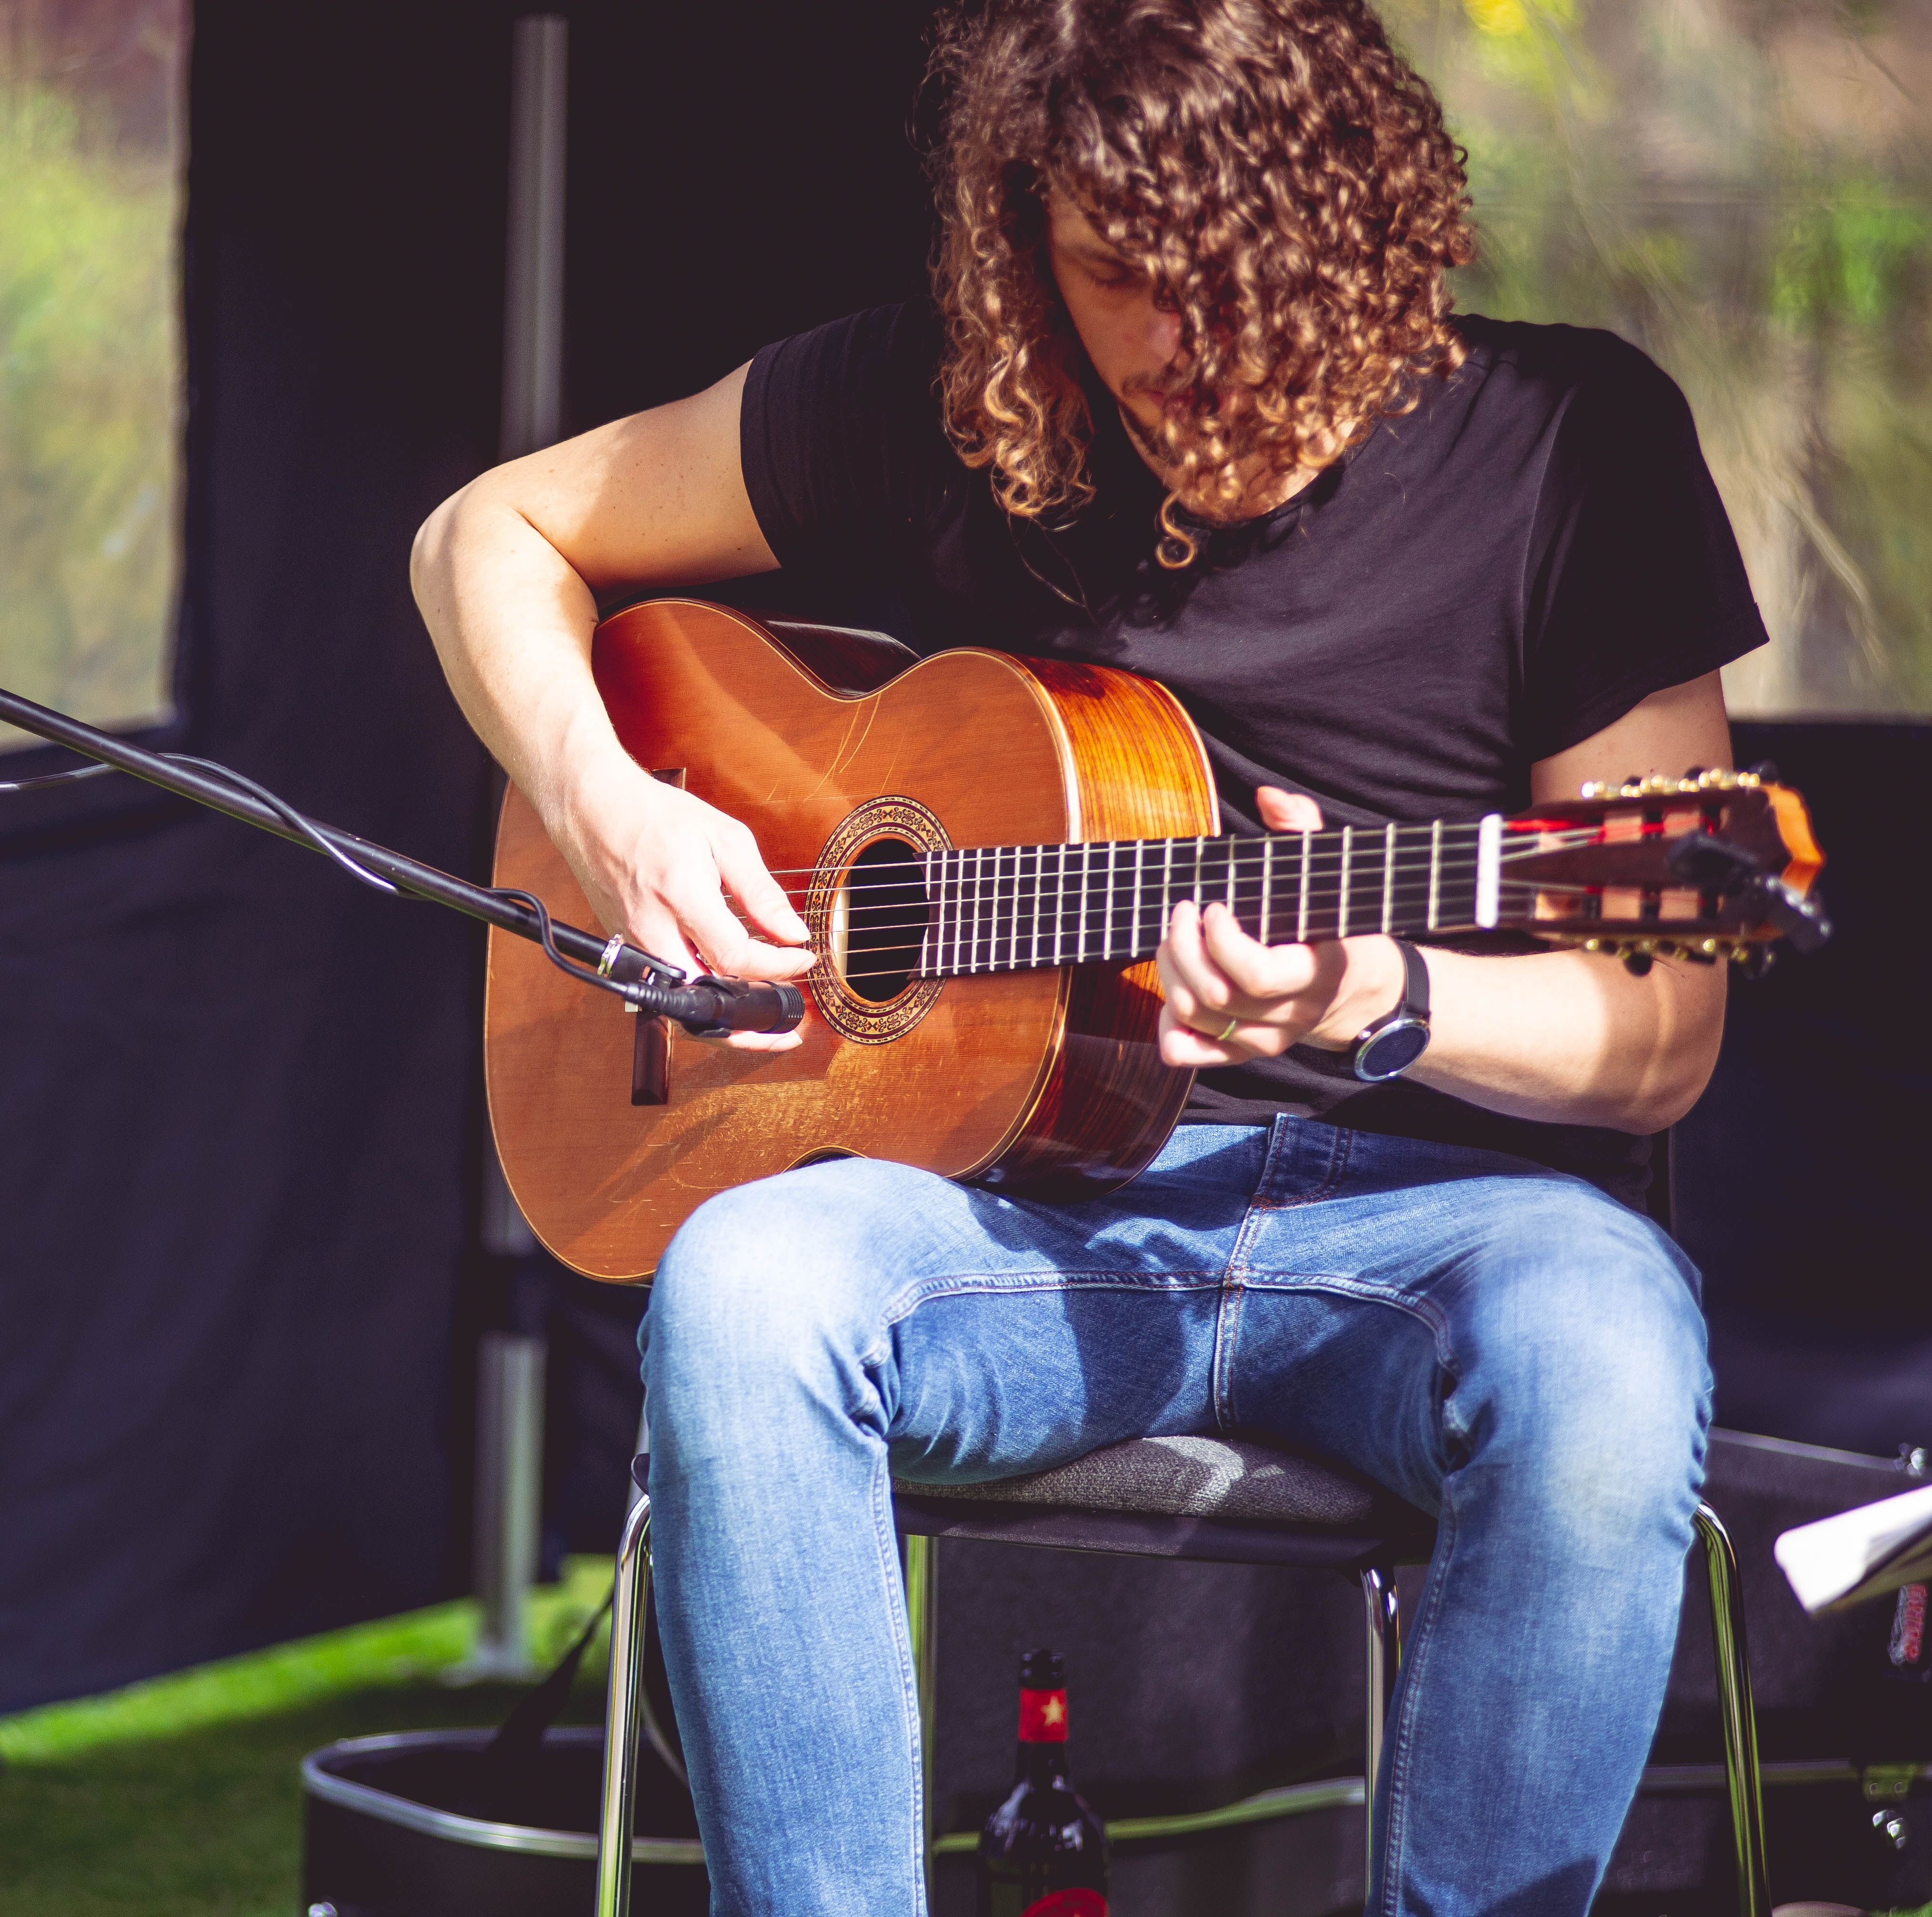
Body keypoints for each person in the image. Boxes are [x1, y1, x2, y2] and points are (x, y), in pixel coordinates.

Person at [410, 0, 1768, 1910]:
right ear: (1027, 242)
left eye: (1230, 293)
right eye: (1115, 282)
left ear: (1353, 230)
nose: (1173, 351)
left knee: (1604, 1349)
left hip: (1440, 1218)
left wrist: (1382, 996)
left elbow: (1662, 1032)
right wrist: (614, 802)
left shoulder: (1568, 444)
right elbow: (491, 533)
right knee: (741, 1285)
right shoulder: (945, 400)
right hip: (1026, 1219)